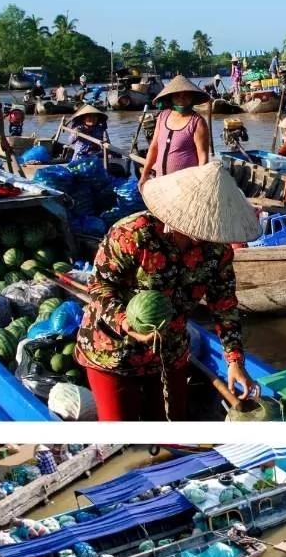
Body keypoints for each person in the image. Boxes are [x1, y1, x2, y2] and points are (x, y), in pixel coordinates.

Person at [75, 162, 255, 421]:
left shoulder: (218, 250)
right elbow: (100, 285)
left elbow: (224, 305)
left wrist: (235, 360)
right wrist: (126, 323)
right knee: (121, 436)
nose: (200, 237)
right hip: (113, 350)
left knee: (171, 430)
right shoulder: (133, 234)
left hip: (170, 351)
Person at [139, 75, 213, 184]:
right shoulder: (163, 116)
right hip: (161, 181)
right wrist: (144, 174)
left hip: (186, 184)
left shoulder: (197, 122)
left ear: (192, 97)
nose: (181, 98)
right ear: (171, 98)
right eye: (177, 95)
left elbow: (203, 157)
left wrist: (200, 183)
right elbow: (154, 147)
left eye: (186, 95)